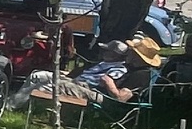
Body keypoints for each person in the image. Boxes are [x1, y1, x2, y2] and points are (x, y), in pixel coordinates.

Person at [12, 36, 160, 108]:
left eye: (133, 52)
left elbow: (120, 98)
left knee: (51, 85)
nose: (129, 54)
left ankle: (19, 107)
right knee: (40, 76)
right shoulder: (132, 68)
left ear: (138, 57)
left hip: (103, 97)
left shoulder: (141, 75)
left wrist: (109, 83)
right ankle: (12, 104)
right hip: (90, 88)